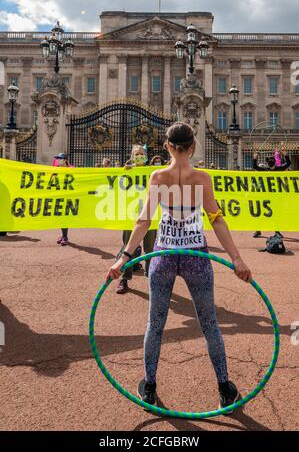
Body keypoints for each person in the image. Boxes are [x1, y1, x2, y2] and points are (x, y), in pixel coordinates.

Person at [106, 122, 252, 411]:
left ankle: (149, 386)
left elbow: (144, 221)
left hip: (164, 253)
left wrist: (124, 257)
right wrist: (236, 258)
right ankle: (224, 387)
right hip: (197, 254)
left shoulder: (158, 176)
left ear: (167, 146)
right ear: (193, 146)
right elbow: (217, 219)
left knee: (155, 325)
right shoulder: (202, 178)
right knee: (210, 324)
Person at [116, 145, 156, 294]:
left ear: (145, 156)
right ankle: (124, 278)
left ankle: (152, 279)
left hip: (149, 214)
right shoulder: (127, 171)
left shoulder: (152, 172)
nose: (139, 156)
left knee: (150, 248)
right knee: (128, 246)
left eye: (141, 153)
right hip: (130, 214)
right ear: (132, 156)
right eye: (136, 154)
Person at [252, 150, 291, 239]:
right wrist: (255, 157)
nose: (270, 164)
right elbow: (288, 163)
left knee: (276, 213)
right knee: (263, 213)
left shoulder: (278, 169)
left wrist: (255, 157)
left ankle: (276, 231)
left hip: (276, 196)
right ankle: (258, 230)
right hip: (266, 196)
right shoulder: (266, 169)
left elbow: (288, 163)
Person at [53, 153, 73, 246]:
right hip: (59, 195)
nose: (58, 160)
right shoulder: (56, 169)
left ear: (65, 160)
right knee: (61, 216)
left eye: (60, 158)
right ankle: (63, 234)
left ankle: (65, 236)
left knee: (65, 216)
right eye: (58, 158)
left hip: (69, 196)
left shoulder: (72, 169)